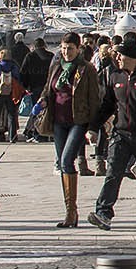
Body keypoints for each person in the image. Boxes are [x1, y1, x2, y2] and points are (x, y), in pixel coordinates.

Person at [86, 36, 136, 231]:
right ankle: (103, 213)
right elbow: (107, 104)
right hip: (120, 133)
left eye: (121, 55)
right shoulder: (115, 76)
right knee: (113, 173)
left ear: (133, 57)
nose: (118, 58)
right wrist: (93, 127)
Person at [38, 32, 101, 228]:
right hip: (58, 119)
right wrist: (41, 101)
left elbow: (94, 98)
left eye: (70, 49)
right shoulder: (57, 65)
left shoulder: (86, 69)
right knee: (62, 164)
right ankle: (69, 211)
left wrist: (93, 126)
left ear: (78, 48)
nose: (66, 52)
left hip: (77, 120)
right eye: (64, 48)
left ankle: (71, 211)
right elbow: (49, 89)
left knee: (66, 160)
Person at [0, 47, 21, 143]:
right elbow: (17, 77)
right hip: (11, 92)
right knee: (11, 115)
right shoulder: (14, 66)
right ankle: (12, 137)